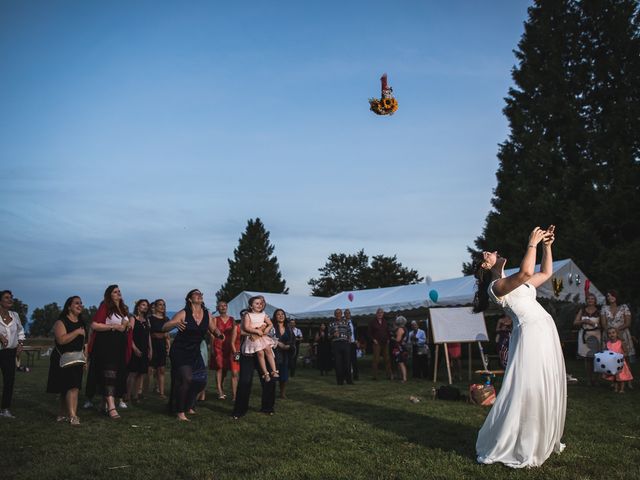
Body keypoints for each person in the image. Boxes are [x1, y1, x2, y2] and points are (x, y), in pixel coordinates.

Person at [474, 225, 566, 468]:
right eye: (488, 253)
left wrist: (547, 247)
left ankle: (539, 436)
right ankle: (522, 441)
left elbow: (545, 273)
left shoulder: (513, 282)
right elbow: (526, 273)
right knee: (530, 387)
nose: (493, 251)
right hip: (530, 334)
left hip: (544, 330)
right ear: (485, 265)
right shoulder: (495, 288)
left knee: (544, 382)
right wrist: (532, 243)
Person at [163, 289, 218, 421]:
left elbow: (213, 328)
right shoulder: (183, 313)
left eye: (201, 294)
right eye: (196, 294)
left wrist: (219, 334)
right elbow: (164, 327)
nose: (199, 295)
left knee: (201, 380)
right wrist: (175, 323)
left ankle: (188, 404)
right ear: (189, 299)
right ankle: (180, 412)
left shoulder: (207, 314)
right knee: (186, 379)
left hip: (195, 351)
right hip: (180, 351)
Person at [87, 285, 132, 419]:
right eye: (115, 292)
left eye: (119, 291)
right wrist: (114, 326)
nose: (118, 293)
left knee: (115, 374)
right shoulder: (105, 307)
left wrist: (126, 326)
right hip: (106, 344)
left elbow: (124, 328)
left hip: (119, 346)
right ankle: (112, 407)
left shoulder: (123, 310)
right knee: (109, 373)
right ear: (109, 295)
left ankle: (103, 404)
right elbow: (94, 325)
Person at [46, 296, 86, 425]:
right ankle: (73, 416)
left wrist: (86, 358)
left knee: (74, 387)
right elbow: (61, 340)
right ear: (69, 306)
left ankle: (63, 413)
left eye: (81, 303)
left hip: (78, 359)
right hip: (63, 359)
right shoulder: (61, 322)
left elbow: (85, 343)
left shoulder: (82, 322)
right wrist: (76, 332)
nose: (80, 305)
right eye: (76, 303)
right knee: (69, 387)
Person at [232, 306, 277, 419]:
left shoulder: (263, 317)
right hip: (248, 354)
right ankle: (240, 410)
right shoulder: (245, 318)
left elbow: (268, 329)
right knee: (244, 381)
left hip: (262, 350)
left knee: (269, 381)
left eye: (262, 302)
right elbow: (241, 330)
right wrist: (251, 333)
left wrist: (259, 331)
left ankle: (268, 407)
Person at [241, 296, 279, 382]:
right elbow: (246, 327)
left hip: (263, 336)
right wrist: (256, 331)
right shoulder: (248, 315)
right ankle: (265, 373)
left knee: (268, 349)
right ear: (251, 306)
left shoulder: (263, 314)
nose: (259, 305)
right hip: (253, 337)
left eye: (261, 303)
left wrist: (266, 329)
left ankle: (274, 371)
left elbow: (270, 324)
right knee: (260, 352)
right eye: (257, 303)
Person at [0, 290, 25, 418]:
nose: (10, 300)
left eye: (11, 298)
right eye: (6, 297)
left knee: (9, 381)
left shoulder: (14, 315)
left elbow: (21, 331)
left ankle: (5, 409)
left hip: (9, 353)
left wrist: (20, 344)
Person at [126, 299, 152, 404]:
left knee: (141, 373)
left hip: (145, 349)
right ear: (138, 306)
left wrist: (151, 349)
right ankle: (127, 395)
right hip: (135, 348)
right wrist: (134, 348)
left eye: (146, 305)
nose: (145, 307)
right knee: (132, 373)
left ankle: (135, 396)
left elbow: (148, 335)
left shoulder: (147, 320)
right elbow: (129, 335)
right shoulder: (132, 318)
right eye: (143, 305)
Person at [573, 293, 601, 385]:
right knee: (587, 358)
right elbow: (575, 322)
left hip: (595, 335)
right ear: (586, 300)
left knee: (596, 358)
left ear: (595, 301)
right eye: (589, 299)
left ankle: (596, 379)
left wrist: (594, 324)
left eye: (592, 299)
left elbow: (602, 325)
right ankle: (589, 379)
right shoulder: (582, 310)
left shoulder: (599, 311)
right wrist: (583, 321)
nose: (590, 300)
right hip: (584, 335)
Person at [210, 300, 235, 400]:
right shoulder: (215, 319)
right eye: (221, 306)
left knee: (225, 369)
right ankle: (219, 390)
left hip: (228, 346)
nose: (223, 307)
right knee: (219, 367)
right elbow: (212, 335)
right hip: (218, 346)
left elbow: (235, 333)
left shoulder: (232, 319)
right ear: (217, 308)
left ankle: (222, 388)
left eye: (225, 305)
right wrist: (212, 348)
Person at [601, 290, 635, 363]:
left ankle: (626, 373)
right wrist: (611, 332)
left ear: (616, 296)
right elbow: (603, 323)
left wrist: (616, 331)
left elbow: (628, 323)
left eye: (612, 295)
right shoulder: (604, 308)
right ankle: (611, 373)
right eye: (608, 296)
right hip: (609, 334)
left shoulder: (624, 307)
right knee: (609, 358)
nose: (610, 297)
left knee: (625, 357)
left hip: (622, 334)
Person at [148, 299, 170, 398]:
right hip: (152, 345)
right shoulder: (150, 318)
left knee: (161, 369)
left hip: (162, 346)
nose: (162, 307)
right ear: (155, 306)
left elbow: (167, 334)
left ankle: (161, 392)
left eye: (164, 305)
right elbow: (150, 334)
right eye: (160, 305)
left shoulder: (166, 319)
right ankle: (145, 392)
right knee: (150, 370)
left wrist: (168, 345)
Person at [272, 309, 295, 398]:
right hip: (274, 353)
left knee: (284, 374)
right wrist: (278, 344)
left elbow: (292, 340)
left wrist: (288, 346)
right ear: (275, 316)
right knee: (273, 373)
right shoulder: (272, 327)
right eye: (278, 314)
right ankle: (271, 391)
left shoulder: (288, 328)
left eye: (282, 314)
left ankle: (282, 393)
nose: (281, 316)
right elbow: (269, 338)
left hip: (285, 354)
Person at [603, 327, 633, 393]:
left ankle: (622, 389)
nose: (611, 334)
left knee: (621, 376)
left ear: (617, 333)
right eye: (609, 333)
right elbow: (605, 352)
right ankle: (616, 388)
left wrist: (621, 356)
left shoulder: (620, 342)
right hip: (612, 363)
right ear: (607, 335)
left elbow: (626, 352)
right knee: (614, 377)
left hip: (620, 362)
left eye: (613, 332)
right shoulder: (608, 344)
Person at [328, 308, 353, 385]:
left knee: (347, 362)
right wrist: (333, 335)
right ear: (334, 315)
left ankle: (349, 380)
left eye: (339, 313)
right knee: (338, 363)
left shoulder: (346, 322)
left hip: (345, 343)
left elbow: (350, 332)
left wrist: (349, 338)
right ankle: (340, 381)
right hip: (336, 344)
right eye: (336, 313)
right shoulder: (331, 324)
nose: (338, 314)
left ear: (341, 314)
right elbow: (328, 336)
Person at [368, 308, 391, 380]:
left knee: (387, 359)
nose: (380, 314)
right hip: (377, 342)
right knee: (376, 359)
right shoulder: (372, 322)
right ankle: (375, 376)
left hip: (385, 342)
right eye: (379, 312)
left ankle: (389, 375)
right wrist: (373, 339)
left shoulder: (385, 321)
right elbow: (369, 333)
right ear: (376, 313)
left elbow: (388, 331)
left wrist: (388, 339)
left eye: (381, 313)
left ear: (383, 314)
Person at [229, 316, 243, 401]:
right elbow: (232, 342)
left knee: (243, 375)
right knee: (234, 374)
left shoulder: (250, 327)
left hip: (246, 353)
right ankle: (234, 396)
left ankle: (241, 394)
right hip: (236, 352)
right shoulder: (236, 327)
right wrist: (236, 354)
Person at [391, 316, 409, 383]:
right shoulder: (405, 329)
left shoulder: (400, 329)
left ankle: (404, 378)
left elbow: (398, 340)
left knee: (401, 363)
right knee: (401, 363)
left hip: (400, 348)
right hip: (405, 347)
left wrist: (393, 338)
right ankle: (401, 376)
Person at [345, 309, 359, 380]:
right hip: (346, 343)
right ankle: (348, 375)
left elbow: (356, 332)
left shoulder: (353, 322)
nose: (348, 314)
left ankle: (356, 376)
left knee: (354, 360)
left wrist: (356, 340)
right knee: (347, 360)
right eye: (346, 313)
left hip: (353, 343)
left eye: (349, 313)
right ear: (344, 315)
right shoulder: (343, 323)